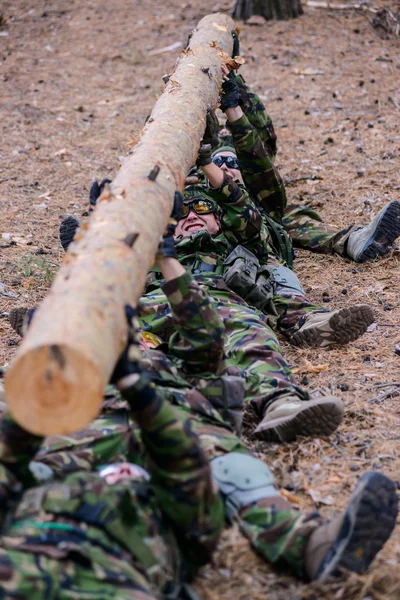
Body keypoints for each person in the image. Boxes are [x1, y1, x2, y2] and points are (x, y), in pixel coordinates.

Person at [5, 253, 397, 585]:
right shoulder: (69, 365)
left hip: (174, 423)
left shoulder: (165, 351)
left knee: (233, 469)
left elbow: (205, 340)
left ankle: (309, 545)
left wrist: (168, 260)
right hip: (86, 429)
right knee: (31, 475)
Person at [0, 310, 225, 600]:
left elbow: (186, 466)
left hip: (110, 580)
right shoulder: (175, 524)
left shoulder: (184, 529)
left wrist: (138, 387)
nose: (122, 471)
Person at [214, 69, 400, 263]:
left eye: (231, 162)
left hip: (261, 202)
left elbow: (263, 135)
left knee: (286, 216)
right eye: (219, 163)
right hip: (225, 219)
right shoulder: (201, 179)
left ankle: (352, 241)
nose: (225, 167)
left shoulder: (257, 177)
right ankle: (351, 241)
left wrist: (236, 83)